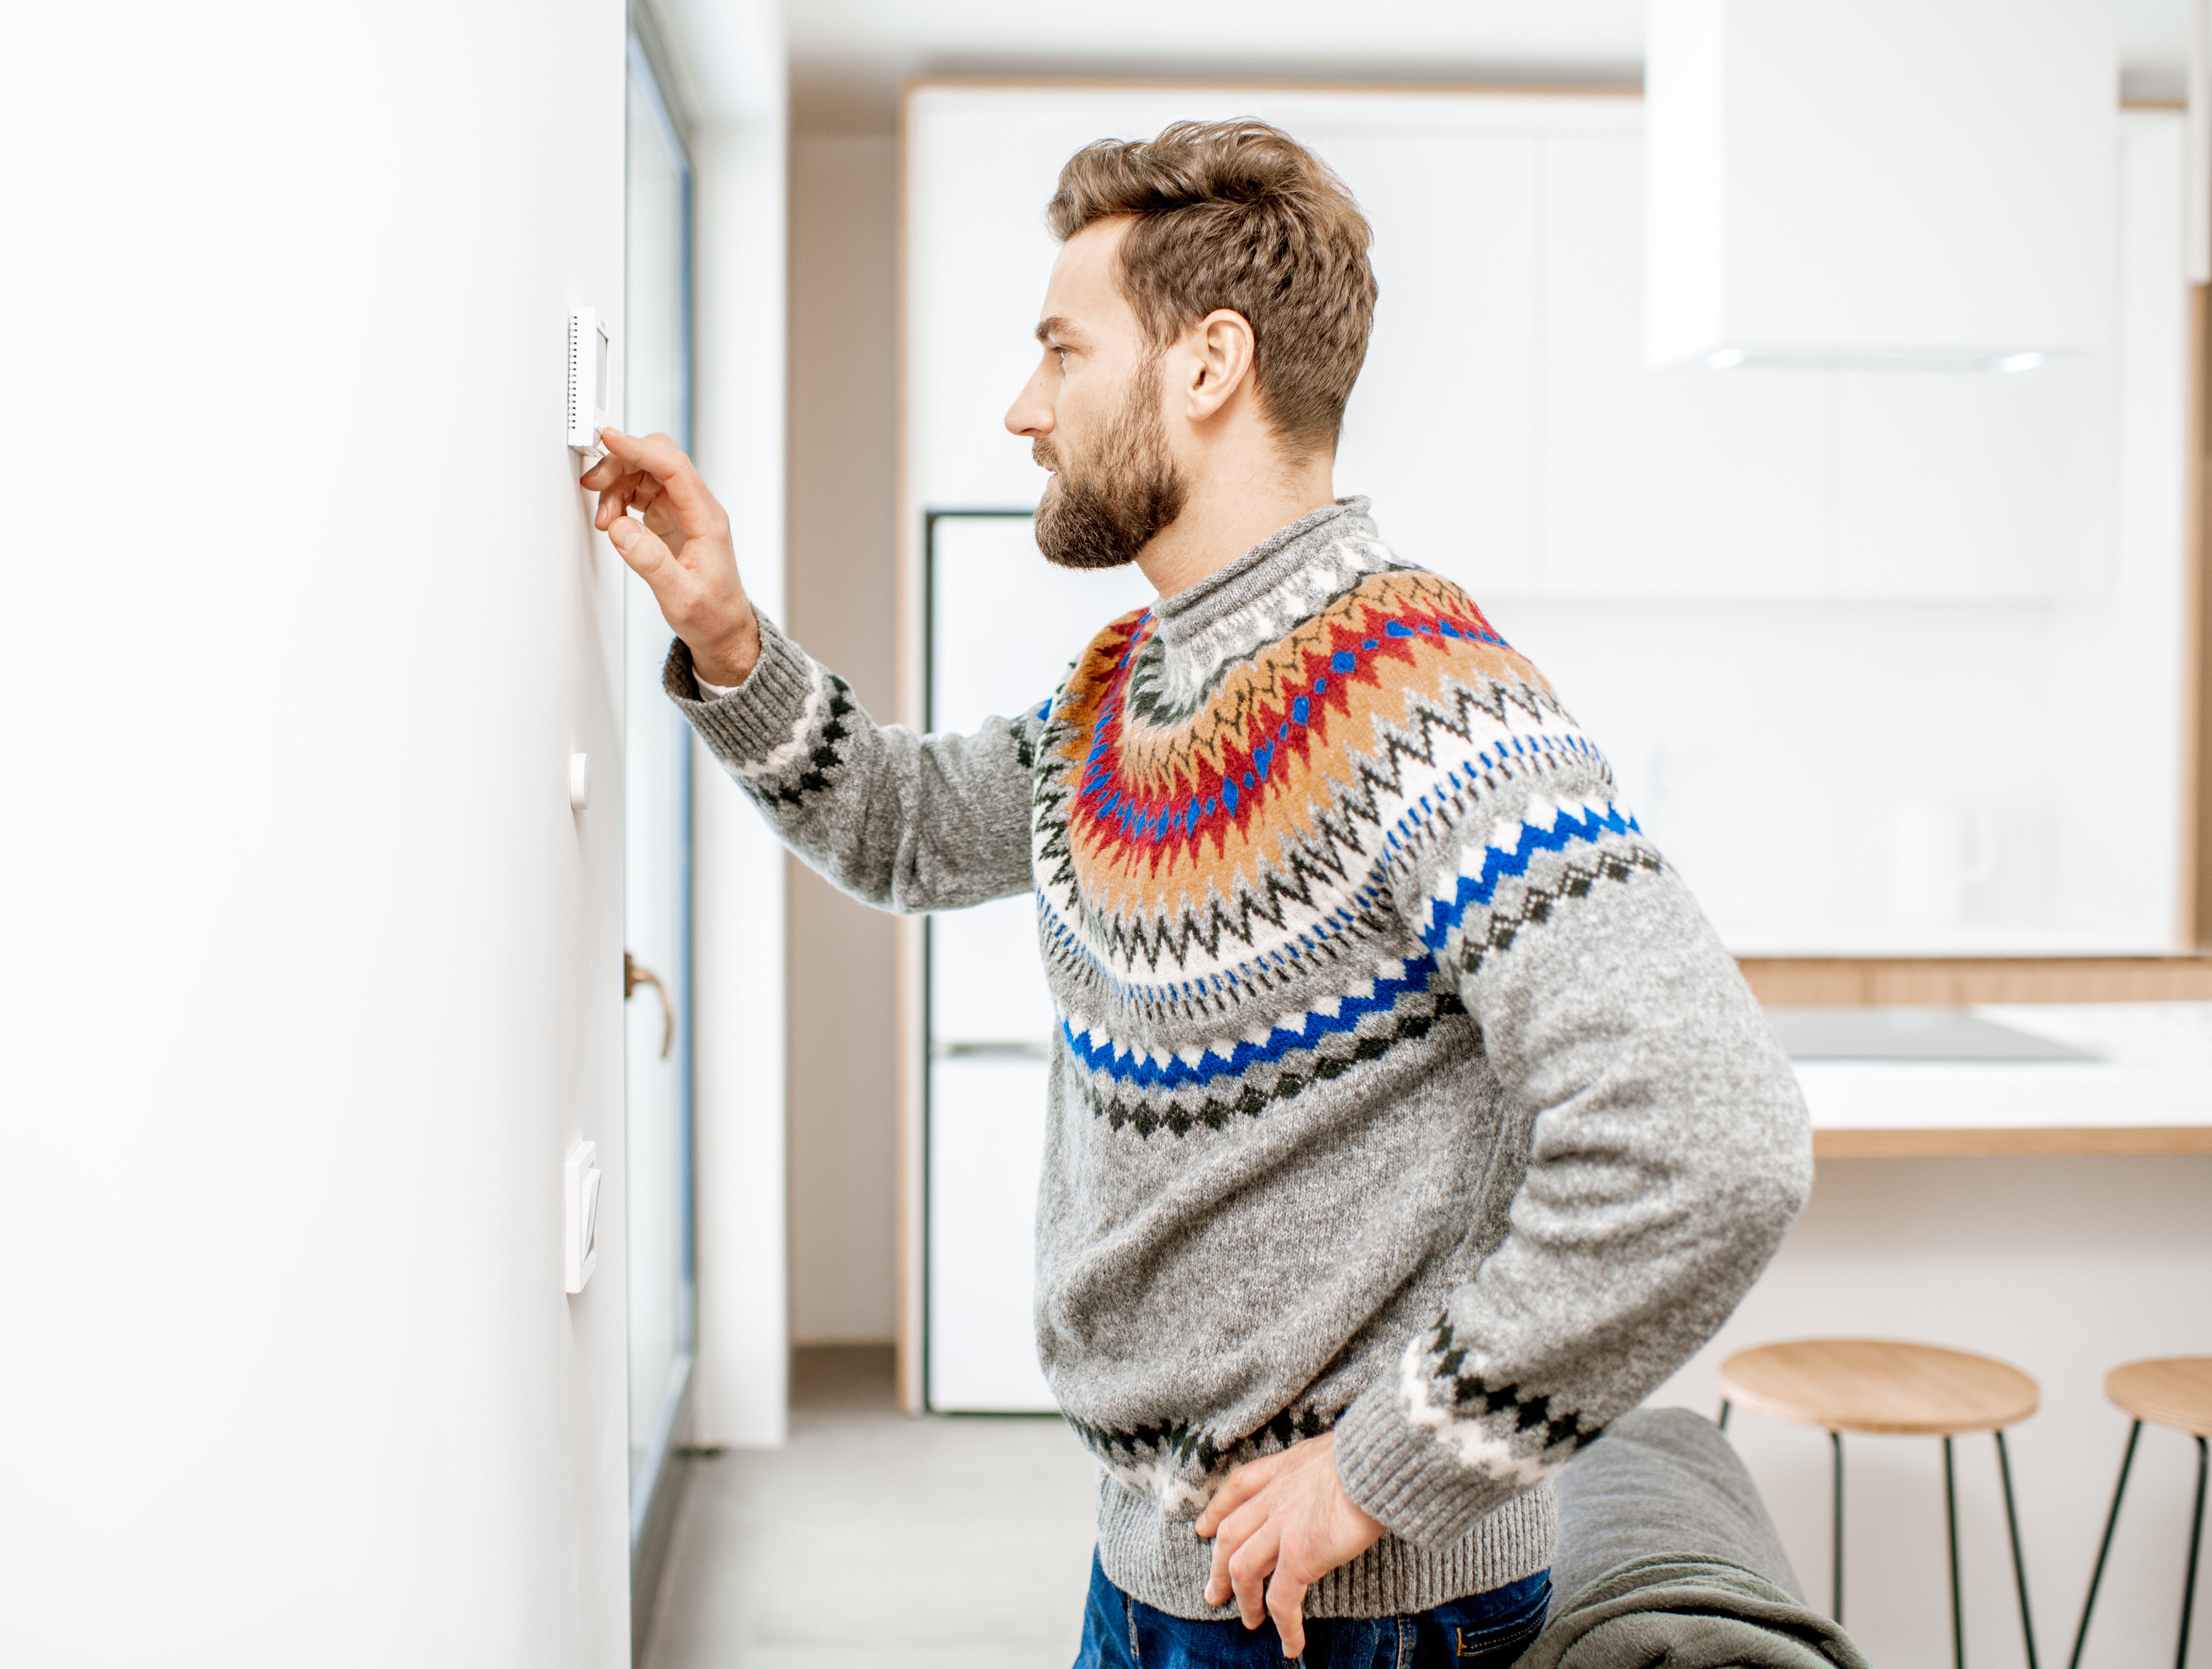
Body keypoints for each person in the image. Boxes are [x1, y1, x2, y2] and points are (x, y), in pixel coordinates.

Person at [584, 118, 1810, 1669]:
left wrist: (1384, 1470)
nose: (1025, 410)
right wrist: (729, 637)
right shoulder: (1131, 685)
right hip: (1163, 1567)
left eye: (1061, 351)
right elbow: (905, 827)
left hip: (1352, 1611)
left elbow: (1712, 1137)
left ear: (1208, 364)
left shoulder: (1422, 701)